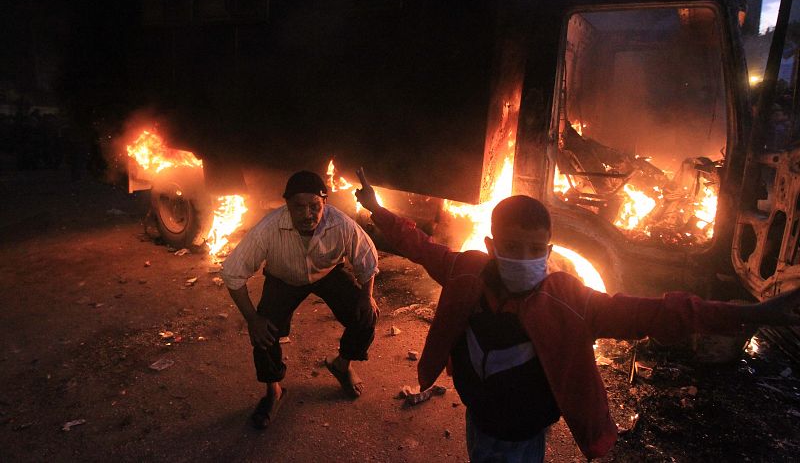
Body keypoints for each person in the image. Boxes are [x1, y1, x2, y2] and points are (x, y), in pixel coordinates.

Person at [353, 168, 800, 462]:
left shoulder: (571, 300)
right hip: (478, 417)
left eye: (535, 251)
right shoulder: (466, 272)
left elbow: (655, 313)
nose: (524, 258)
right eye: (511, 248)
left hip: (525, 432)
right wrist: (376, 207)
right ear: (491, 246)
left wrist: (757, 313)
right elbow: (416, 244)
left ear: (548, 252)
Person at [222, 170, 380, 429]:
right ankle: (274, 390)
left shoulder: (341, 224)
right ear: (287, 205)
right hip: (283, 279)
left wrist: (367, 296)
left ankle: (342, 364)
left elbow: (367, 259)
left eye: (314, 207)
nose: (307, 215)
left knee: (366, 316)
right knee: (264, 333)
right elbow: (232, 273)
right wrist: (253, 319)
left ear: (324, 203)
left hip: (327, 273)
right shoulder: (268, 228)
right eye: (299, 207)